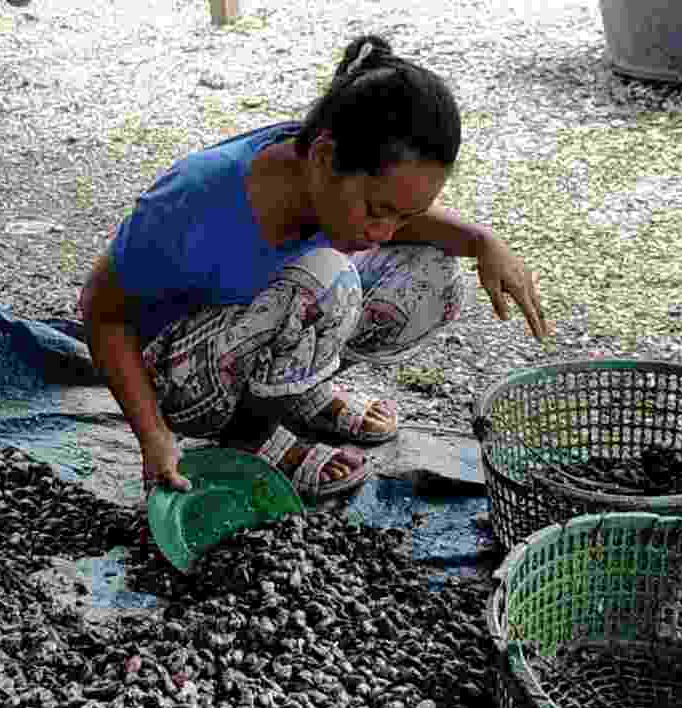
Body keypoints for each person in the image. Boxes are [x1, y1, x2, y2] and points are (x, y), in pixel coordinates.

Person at [79, 34, 549, 502]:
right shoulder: (196, 201)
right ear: (324, 158)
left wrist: (484, 243)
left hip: (259, 329)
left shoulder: (331, 177)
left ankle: (300, 392)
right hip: (177, 372)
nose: (385, 232)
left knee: (432, 277)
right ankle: (252, 434)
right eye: (375, 210)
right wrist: (153, 436)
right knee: (329, 280)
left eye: (401, 216)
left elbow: (407, 219)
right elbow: (101, 313)